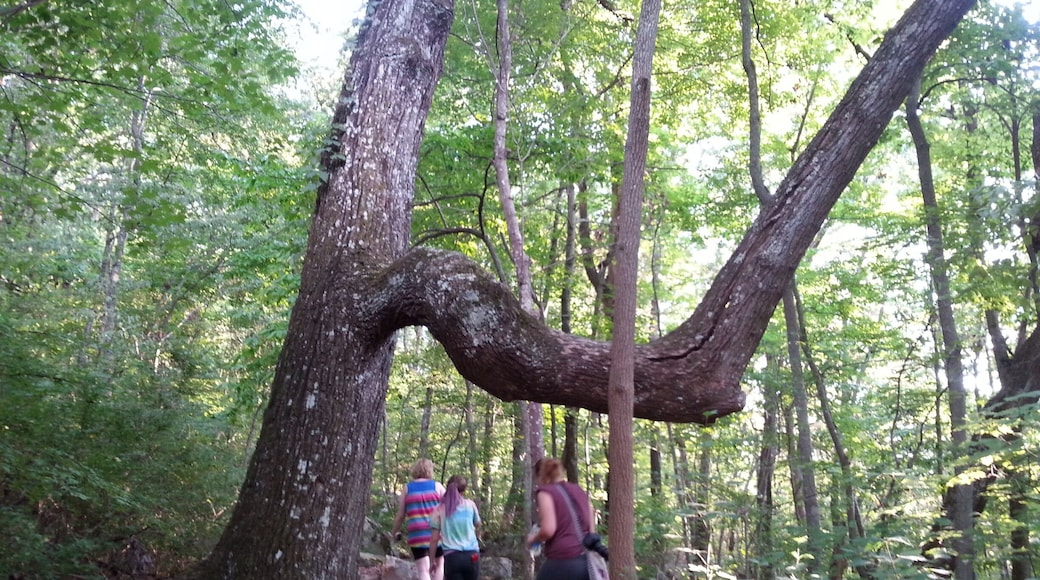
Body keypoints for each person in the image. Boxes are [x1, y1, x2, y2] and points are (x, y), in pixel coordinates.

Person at [525, 458, 597, 580]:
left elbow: (548, 529)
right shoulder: (579, 490)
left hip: (562, 561)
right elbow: (592, 527)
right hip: (586, 563)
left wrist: (533, 539)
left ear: (540, 476)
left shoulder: (545, 492)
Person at [390, 458, 446, 580]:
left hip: (416, 534)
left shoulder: (407, 488)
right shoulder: (438, 487)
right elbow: (449, 509)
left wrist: (393, 532)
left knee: (423, 569)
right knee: (440, 564)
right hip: (436, 533)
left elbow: (400, 516)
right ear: (430, 471)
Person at [429, 475, 481, 580]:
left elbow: (434, 539)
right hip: (472, 555)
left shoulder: (439, 510)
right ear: (464, 490)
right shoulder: (470, 505)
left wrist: (432, 560)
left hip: (452, 557)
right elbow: (478, 524)